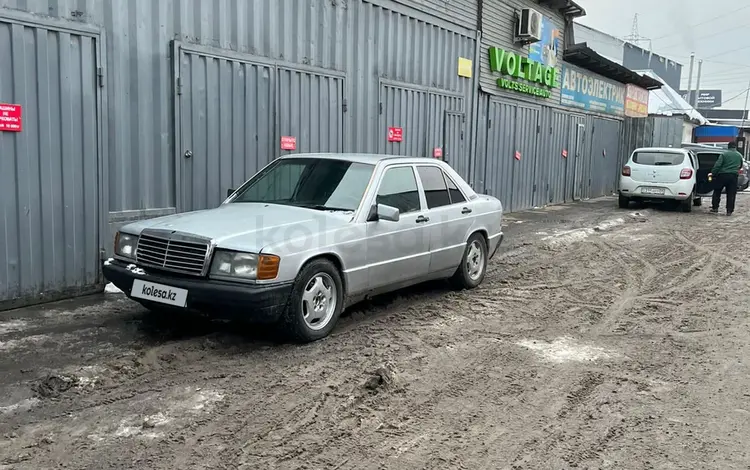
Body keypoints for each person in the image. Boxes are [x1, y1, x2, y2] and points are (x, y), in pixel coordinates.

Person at [710, 140, 744, 216]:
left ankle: (715, 207)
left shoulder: (724, 154)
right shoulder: (739, 155)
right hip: (733, 176)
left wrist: (713, 173)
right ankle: (729, 210)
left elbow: (718, 165)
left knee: (717, 191)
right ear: (735, 147)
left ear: (728, 146)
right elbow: (741, 165)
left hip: (722, 175)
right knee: (731, 194)